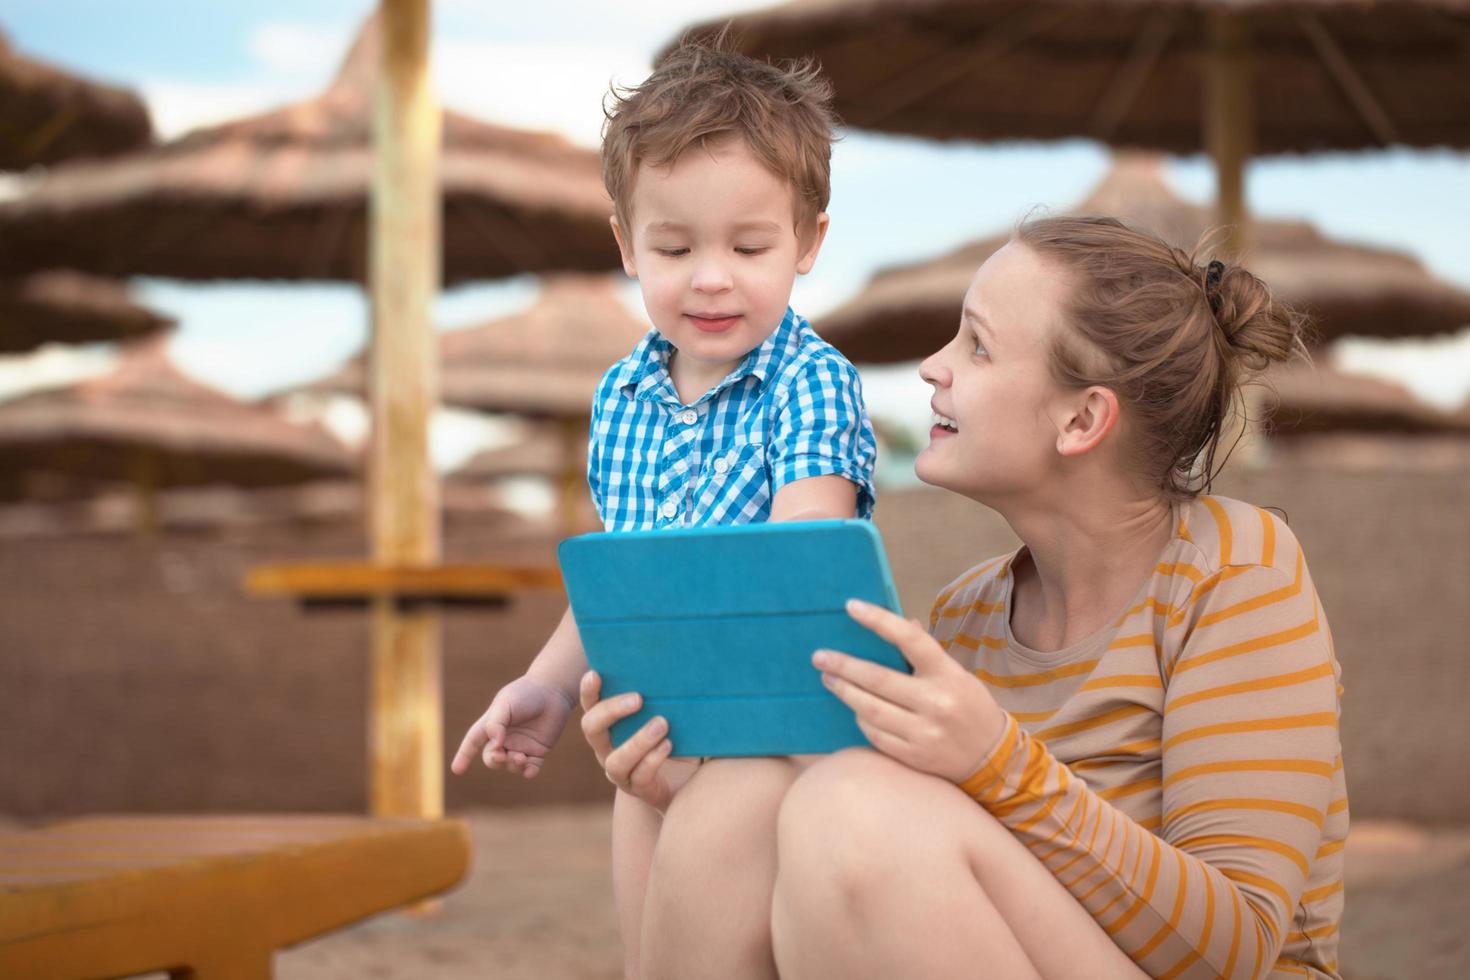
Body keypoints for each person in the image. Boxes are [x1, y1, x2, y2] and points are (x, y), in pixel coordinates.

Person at [580, 215, 1347, 979]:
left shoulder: (1237, 571)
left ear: (1082, 420)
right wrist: (673, 792)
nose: (931, 366)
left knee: (850, 809)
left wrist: (995, 760)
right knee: (735, 797)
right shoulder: (965, 615)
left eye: (976, 345)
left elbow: (1237, 946)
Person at [449, 39, 878, 978]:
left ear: (808, 242)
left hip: (773, 742)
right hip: (654, 729)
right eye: (675, 248)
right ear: (626, 245)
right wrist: (549, 686)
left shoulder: (808, 383)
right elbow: (620, 578)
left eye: (749, 246)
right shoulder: (621, 396)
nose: (710, 277)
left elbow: (798, 573)